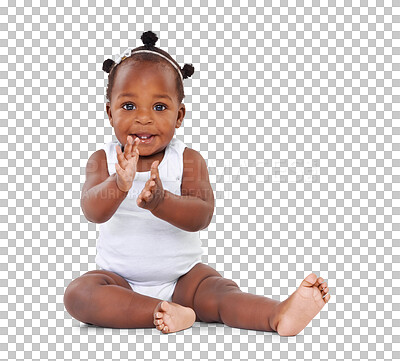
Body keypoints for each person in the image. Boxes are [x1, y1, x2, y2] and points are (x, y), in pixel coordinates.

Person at [63, 30, 330, 336]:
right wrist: (118, 184)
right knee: (79, 294)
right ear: (110, 113)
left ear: (180, 115)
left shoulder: (188, 160)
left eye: (159, 107)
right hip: (119, 281)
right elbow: (92, 211)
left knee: (221, 295)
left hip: (184, 280)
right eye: (129, 106)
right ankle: (159, 312)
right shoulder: (103, 159)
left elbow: (202, 216)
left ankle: (278, 314)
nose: (144, 118)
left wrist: (161, 202)